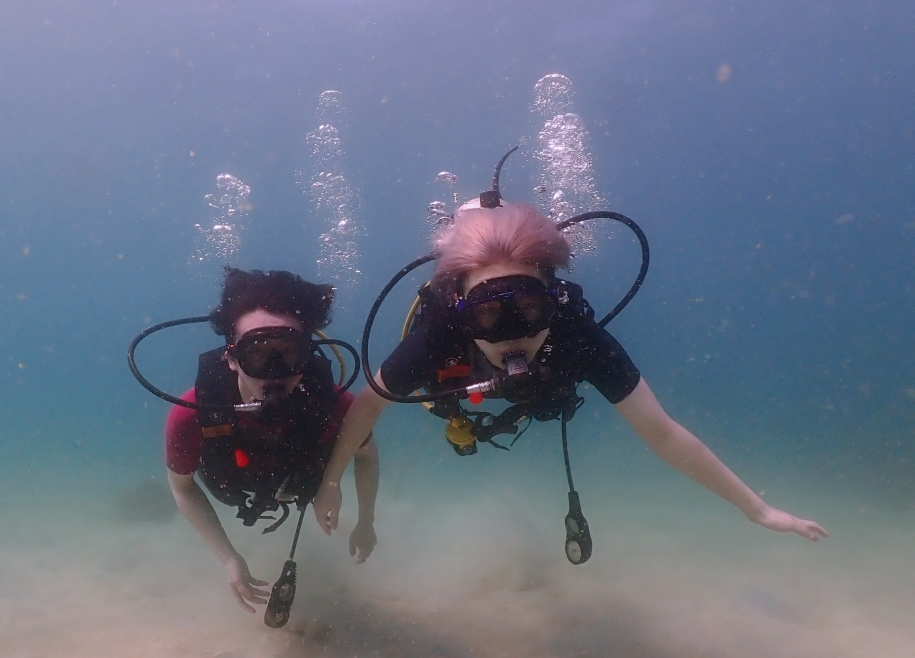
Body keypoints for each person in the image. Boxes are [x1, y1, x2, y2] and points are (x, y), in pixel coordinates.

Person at [311, 201, 827, 558]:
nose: (512, 335)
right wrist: (332, 479)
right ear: (461, 314)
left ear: (553, 303)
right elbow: (371, 405)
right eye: (489, 316)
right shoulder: (437, 335)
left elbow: (663, 432)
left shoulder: (574, 332)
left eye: (528, 308)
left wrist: (757, 511)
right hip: (456, 393)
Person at [165, 268, 379, 614]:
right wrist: (229, 559)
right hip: (236, 482)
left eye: (289, 351)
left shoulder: (337, 407)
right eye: (258, 353)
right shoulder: (191, 416)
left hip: (301, 478)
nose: (275, 370)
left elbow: (367, 455)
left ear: (307, 357)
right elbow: (181, 487)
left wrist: (361, 517)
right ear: (232, 359)